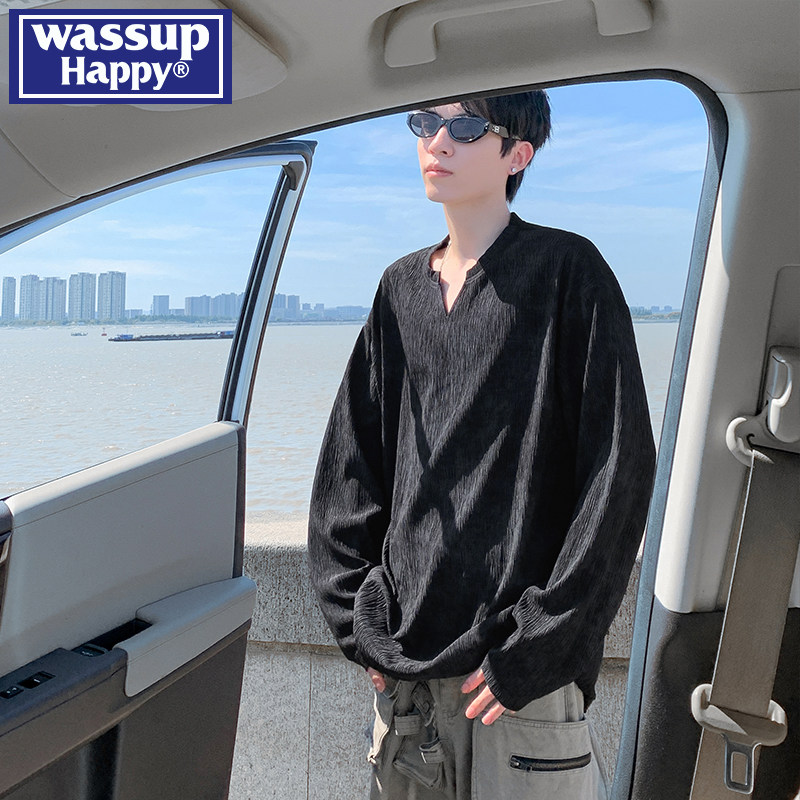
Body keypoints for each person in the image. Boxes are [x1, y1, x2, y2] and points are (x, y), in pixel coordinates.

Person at [307, 90, 656, 800]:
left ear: (517, 155)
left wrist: (539, 645)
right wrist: (357, 622)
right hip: (405, 690)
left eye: (465, 127)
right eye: (425, 123)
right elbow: (350, 469)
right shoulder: (399, 290)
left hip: (517, 690)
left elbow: (618, 473)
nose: (437, 141)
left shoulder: (568, 271)